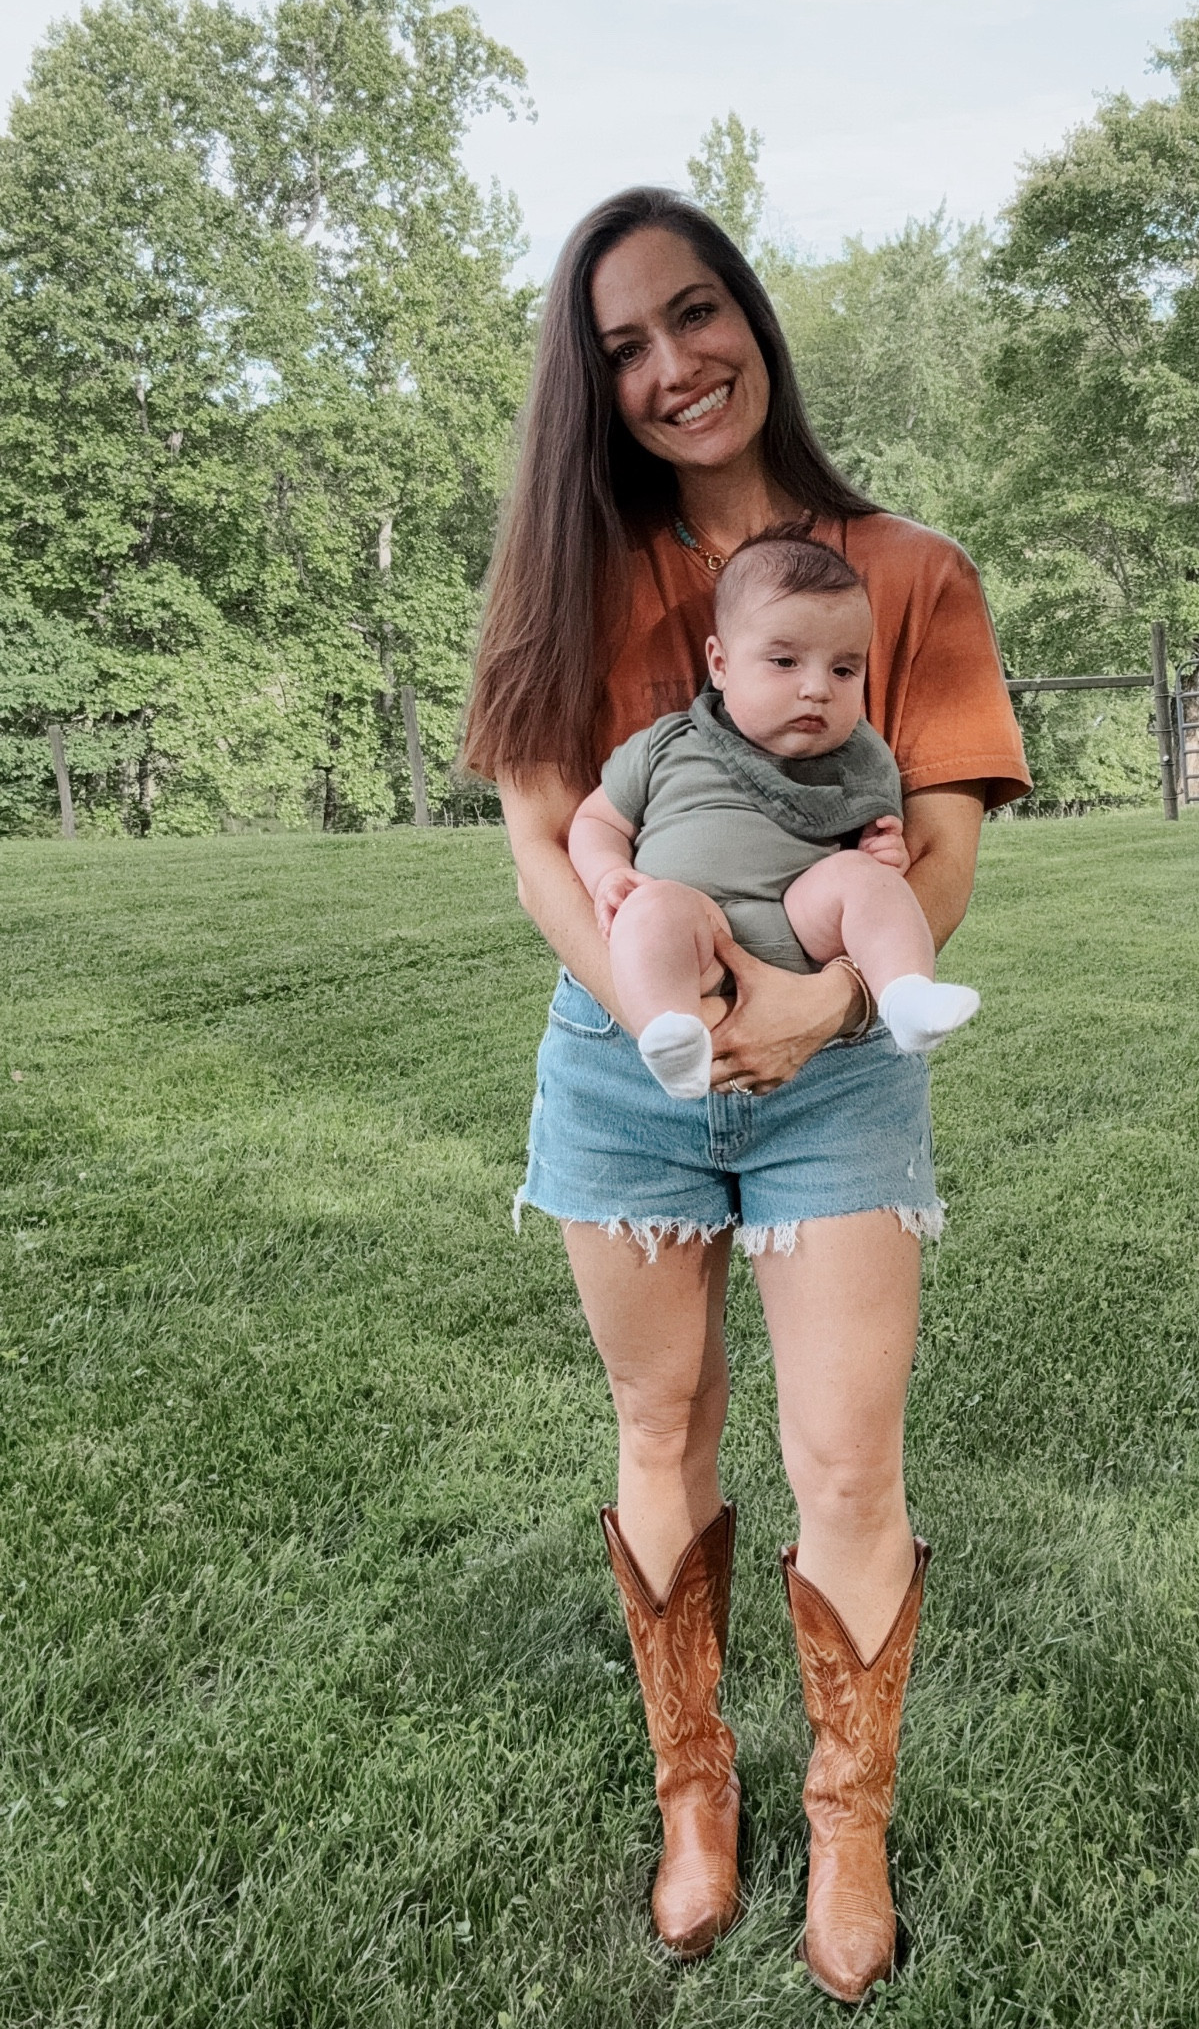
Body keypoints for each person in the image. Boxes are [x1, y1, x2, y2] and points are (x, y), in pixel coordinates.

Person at [462, 186, 1029, 2003]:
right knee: (661, 1429)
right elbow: (551, 842)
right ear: (590, 382)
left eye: (691, 314)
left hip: (839, 1073)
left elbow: (930, 839)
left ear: (753, 319)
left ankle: (843, 1818)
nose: (668, 365)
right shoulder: (569, 570)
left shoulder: (908, 570)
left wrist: (815, 1005)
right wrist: (657, 1000)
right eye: (620, 344)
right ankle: (693, 1795)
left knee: (847, 1452)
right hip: (624, 1070)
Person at [569, 527, 983, 1100]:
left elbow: (877, 842)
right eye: (785, 661)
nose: (817, 689)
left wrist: (884, 853)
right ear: (720, 662)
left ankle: (906, 994)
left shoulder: (855, 762)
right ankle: (672, 1033)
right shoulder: (667, 743)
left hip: (800, 928)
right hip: (695, 935)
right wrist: (607, 875)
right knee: (649, 908)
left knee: (865, 883)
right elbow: (595, 823)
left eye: (844, 670)